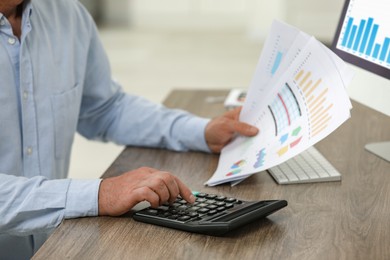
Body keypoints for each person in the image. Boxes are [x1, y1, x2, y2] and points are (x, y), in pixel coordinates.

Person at [0, 0, 258, 258]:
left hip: (52, 247)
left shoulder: (65, 13)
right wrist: (100, 193)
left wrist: (200, 131)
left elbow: (106, 108)